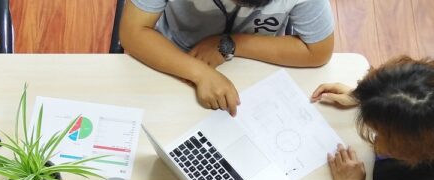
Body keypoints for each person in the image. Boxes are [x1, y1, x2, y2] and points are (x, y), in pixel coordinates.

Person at [119, 0, 335, 116]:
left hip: (254, 61)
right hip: (173, 51)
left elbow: (318, 50)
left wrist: (231, 43)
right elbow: (132, 32)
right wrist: (199, 73)